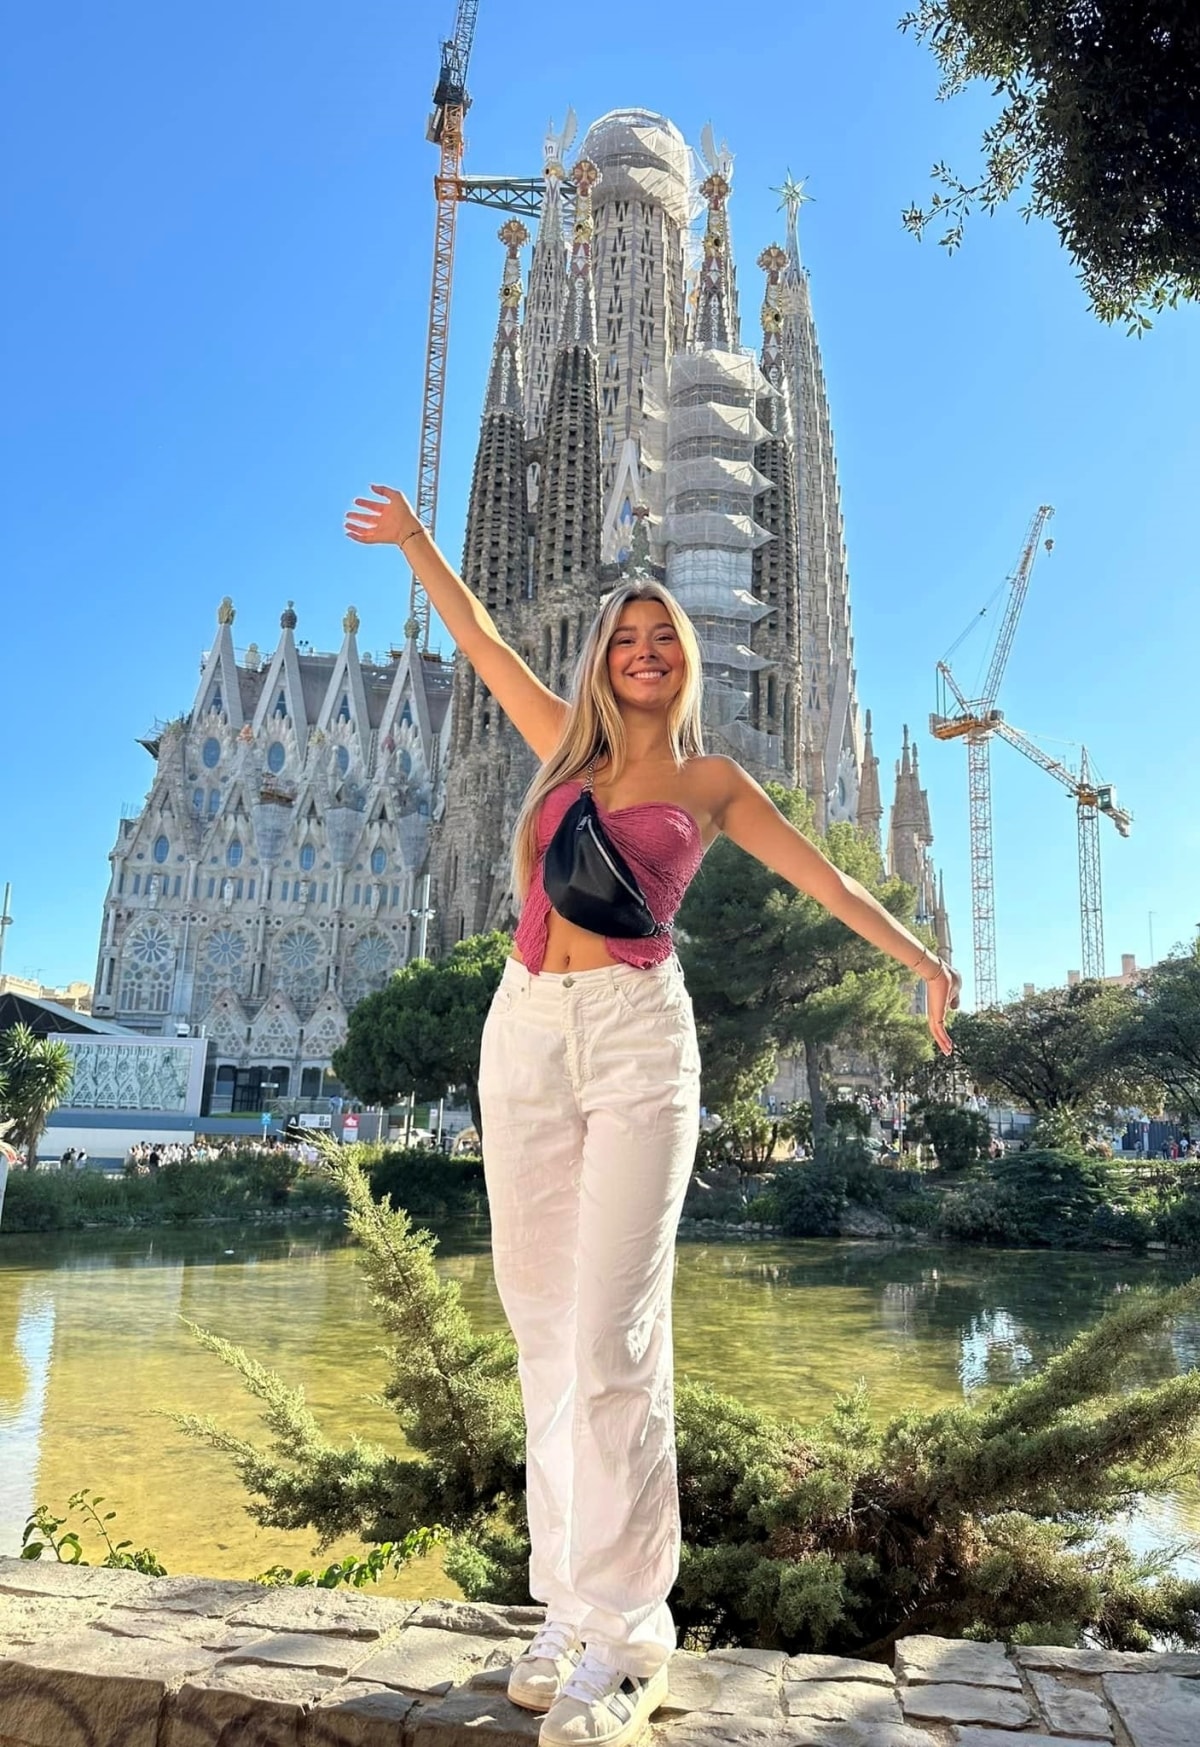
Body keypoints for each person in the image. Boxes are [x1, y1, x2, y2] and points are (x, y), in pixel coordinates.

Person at [346, 485, 961, 1747]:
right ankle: (568, 1609)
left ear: (685, 660)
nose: (642, 652)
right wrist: (415, 544)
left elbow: (824, 878)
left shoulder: (713, 780)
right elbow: (483, 640)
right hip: (525, 1027)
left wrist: (921, 961)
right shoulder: (560, 751)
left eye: (661, 638)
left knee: (616, 1335)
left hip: (636, 1035)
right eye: (624, 638)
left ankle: (630, 1639)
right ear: (602, 658)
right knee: (543, 1330)